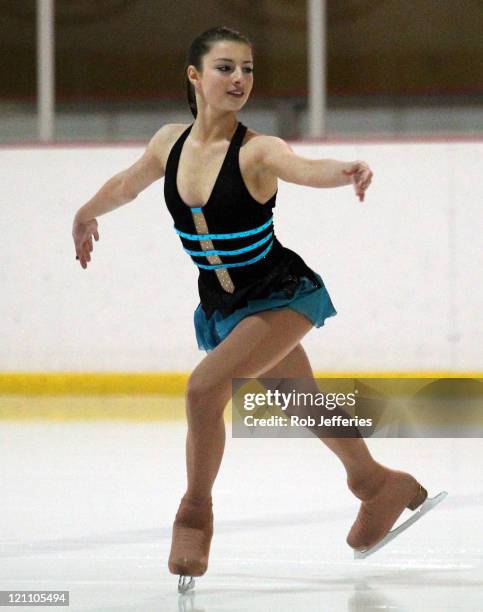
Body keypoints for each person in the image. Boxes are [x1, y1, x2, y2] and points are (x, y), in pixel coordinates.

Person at [72, 26, 431, 590]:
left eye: (247, 69)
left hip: (282, 295)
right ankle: (374, 482)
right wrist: (85, 213)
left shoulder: (258, 150)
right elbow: (128, 183)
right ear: (194, 76)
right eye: (225, 68)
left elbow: (304, 167)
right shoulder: (169, 142)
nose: (239, 79)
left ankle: (195, 512)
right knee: (300, 399)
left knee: (202, 388)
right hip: (224, 304)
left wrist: (346, 171)